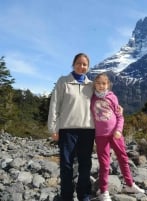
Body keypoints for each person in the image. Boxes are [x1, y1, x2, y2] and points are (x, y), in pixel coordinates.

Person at [48, 53, 95, 201]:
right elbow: (54, 105)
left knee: (85, 165)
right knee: (66, 165)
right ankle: (66, 195)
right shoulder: (63, 82)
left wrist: (117, 108)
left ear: (88, 67)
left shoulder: (92, 85)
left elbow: (104, 102)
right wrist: (53, 129)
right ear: (73, 64)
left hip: (88, 131)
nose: (82, 67)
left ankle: (84, 195)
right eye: (79, 63)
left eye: (84, 64)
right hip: (67, 130)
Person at [90, 73, 145, 201]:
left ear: (108, 85)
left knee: (123, 158)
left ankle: (130, 184)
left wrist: (119, 130)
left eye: (104, 83)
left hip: (116, 134)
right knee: (104, 164)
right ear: (94, 85)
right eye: (98, 83)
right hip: (100, 136)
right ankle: (104, 191)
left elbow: (120, 116)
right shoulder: (91, 98)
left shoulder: (112, 97)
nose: (101, 86)